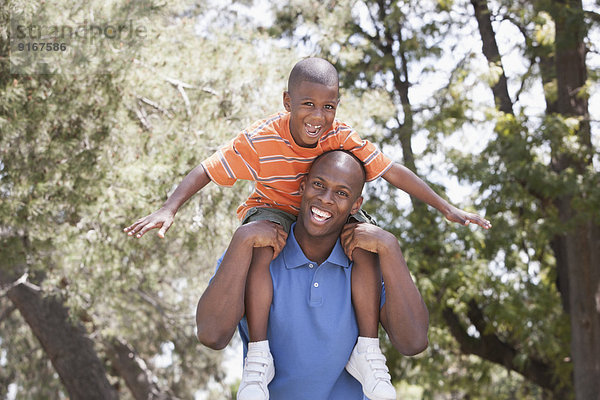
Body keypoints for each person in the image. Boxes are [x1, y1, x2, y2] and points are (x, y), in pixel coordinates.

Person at [124, 58, 490, 400]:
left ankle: (368, 349)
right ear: (287, 102)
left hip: (330, 231)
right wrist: (170, 207)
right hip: (271, 212)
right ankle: (258, 357)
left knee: (365, 246)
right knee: (259, 249)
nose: (318, 116)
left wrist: (445, 207)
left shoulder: (341, 137)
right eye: (308, 105)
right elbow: (208, 168)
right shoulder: (260, 139)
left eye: (328, 107)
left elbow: (392, 170)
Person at [196, 150, 430, 400]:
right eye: (319, 185)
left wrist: (390, 246)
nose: (326, 198)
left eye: (341, 193)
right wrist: (241, 238)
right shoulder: (255, 256)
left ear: (356, 205)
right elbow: (212, 335)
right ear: (303, 186)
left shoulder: (367, 267)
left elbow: (413, 342)